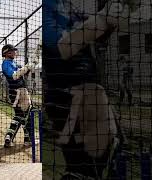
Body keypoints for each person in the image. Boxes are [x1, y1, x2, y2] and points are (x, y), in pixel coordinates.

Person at [43, 0, 127, 179]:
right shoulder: (47, 5)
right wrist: (102, 19)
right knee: (85, 167)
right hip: (67, 94)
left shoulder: (71, 7)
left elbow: (92, 36)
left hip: (88, 91)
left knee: (110, 151)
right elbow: (61, 47)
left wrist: (110, 22)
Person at [1, 44, 38, 148]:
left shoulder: (13, 63)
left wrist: (31, 65)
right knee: (24, 115)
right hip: (17, 92)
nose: (14, 53)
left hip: (20, 92)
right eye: (12, 51)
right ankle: (20, 138)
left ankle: (15, 137)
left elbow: (23, 73)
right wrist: (27, 67)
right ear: (7, 53)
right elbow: (15, 75)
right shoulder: (5, 63)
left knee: (22, 116)